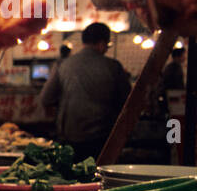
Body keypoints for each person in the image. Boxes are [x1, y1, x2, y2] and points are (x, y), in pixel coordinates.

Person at [40, 21, 131, 162]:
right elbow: (128, 103)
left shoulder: (63, 65)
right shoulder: (113, 67)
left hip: (69, 139)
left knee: (71, 181)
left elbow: (46, 98)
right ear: (102, 43)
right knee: (98, 180)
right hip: (102, 140)